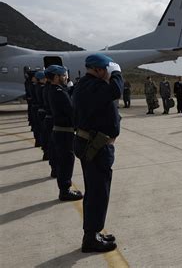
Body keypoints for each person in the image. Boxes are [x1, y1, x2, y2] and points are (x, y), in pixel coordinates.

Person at [73, 53, 123, 252]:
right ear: (100, 70)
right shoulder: (94, 86)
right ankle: (90, 238)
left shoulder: (87, 85)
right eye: (108, 71)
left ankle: (94, 231)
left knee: (96, 191)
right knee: (97, 192)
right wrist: (117, 72)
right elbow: (116, 90)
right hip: (96, 147)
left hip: (93, 145)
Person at [47, 65, 83, 201]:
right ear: (56, 77)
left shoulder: (54, 90)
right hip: (64, 132)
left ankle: (64, 189)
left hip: (59, 131)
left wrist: (71, 88)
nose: (66, 77)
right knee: (66, 162)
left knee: (63, 161)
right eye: (63, 75)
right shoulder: (59, 93)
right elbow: (71, 110)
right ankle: (65, 191)